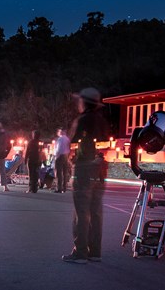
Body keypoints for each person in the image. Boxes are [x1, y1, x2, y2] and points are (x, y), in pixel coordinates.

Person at [62, 87, 110, 264]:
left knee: (81, 212)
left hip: (83, 170)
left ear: (83, 102)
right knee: (96, 211)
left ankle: (80, 252)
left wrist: (71, 161)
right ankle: (95, 252)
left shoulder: (82, 120)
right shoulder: (102, 121)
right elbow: (107, 146)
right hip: (100, 171)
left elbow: (71, 145)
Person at [53, 128, 71, 193]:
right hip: (66, 156)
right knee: (64, 173)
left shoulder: (60, 139)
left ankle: (59, 188)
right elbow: (69, 148)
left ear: (63, 131)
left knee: (59, 173)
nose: (58, 132)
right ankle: (64, 187)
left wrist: (56, 156)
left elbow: (58, 149)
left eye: (59, 131)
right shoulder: (67, 139)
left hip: (60, 156)